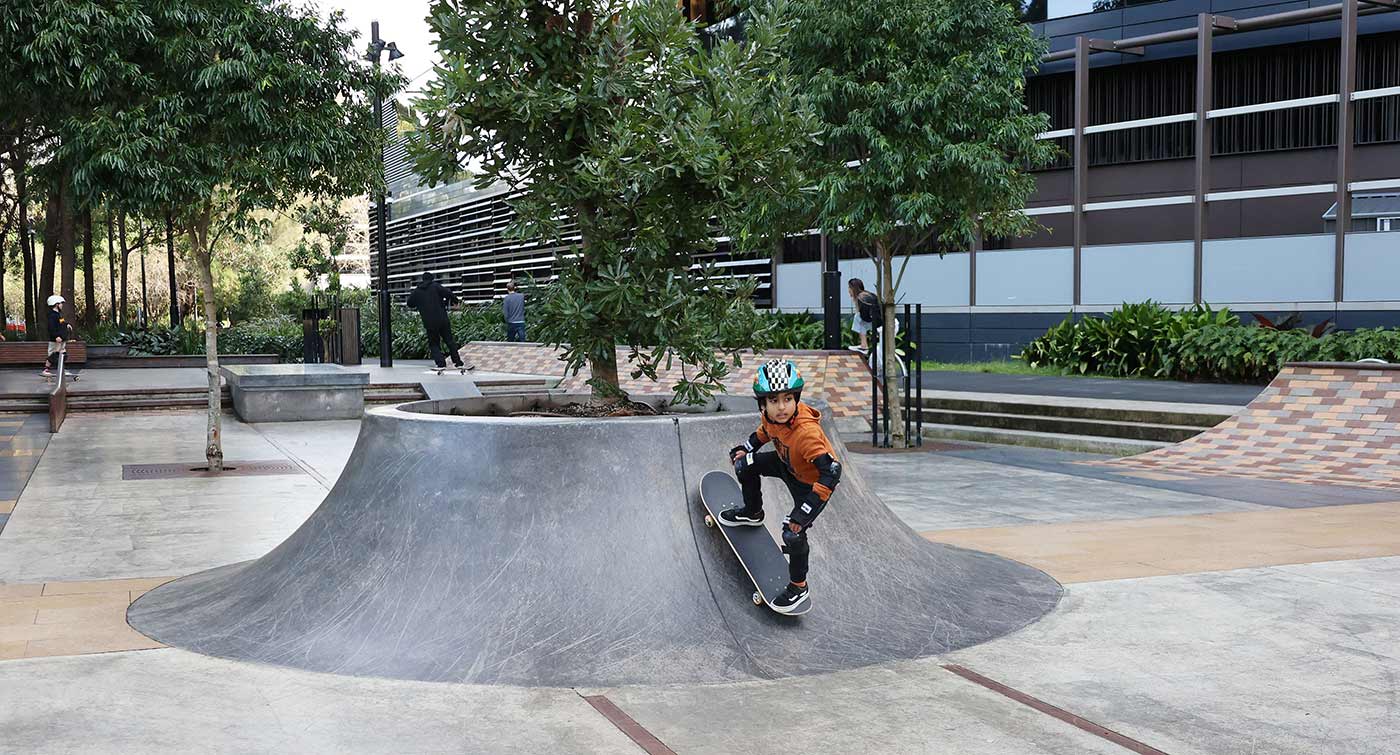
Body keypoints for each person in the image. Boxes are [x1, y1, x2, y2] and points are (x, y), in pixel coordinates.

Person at [721, 359, 843, 615]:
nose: (782, 407)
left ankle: (799, 588)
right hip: (785, 463)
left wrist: (804, 512)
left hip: (809, 483)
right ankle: (753, 512)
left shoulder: (806, 433)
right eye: (774, 401)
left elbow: (831, 472)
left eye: (788, 399)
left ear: (796, 399)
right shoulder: (770, 418)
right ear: (763, 405)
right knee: (744, 465)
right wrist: (746, 447)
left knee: (792, 533)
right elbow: (764, 432)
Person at [406, 271, 473, 372]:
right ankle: (458, 362)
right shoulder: (436, 286)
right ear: (431, 279)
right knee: (450, 341)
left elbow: (410, 303)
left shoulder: (417, 291)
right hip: (442, 319)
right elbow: (449, 293)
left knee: (434, 343)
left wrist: (420, 303)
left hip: (429, 321)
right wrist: (455, 301)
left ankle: (440, 363)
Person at [42, 295, 74, 378]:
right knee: (54, 354)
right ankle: (46, 369)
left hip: (61, 338)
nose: (62, 305)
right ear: (56, 304)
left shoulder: (58, 315)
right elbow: (51, 327)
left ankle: (62, 369)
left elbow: (61, 323)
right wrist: (56, 336)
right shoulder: (52, 315)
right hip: (56, 339)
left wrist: (67, 325)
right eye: (61, 303)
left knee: (62, 354)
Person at [848, 278, 881, 353]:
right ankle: (864, 345)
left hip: (877, 321)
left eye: (849, 288)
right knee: (859, 318)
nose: (848, 290)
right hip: (878, 320)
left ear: (853, 288)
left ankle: (864, 345)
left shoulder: (861, 298)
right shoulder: (865, 294)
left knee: (858, 317)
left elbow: (865, 316)